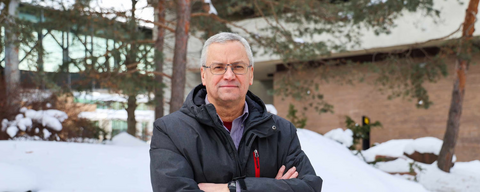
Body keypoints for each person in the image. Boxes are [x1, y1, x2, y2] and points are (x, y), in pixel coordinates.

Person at [150, 32, 323, 192]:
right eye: (218, 67)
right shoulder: (170, 131)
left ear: (251, 74)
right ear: (203, 75)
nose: (229, 75)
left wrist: (234, 188)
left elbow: (309, 187)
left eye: (238, 66)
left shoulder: (281, 131)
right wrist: (275, 187)